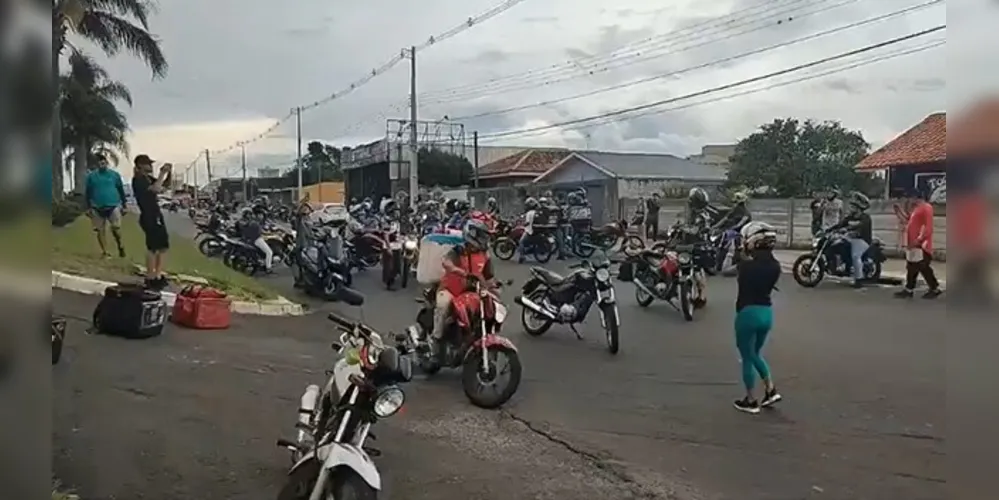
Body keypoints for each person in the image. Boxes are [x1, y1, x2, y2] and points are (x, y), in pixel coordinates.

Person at [732, 221, 782, 414]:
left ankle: (751, 400)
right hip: (766, 313)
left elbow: (737, 262)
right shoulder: (775, 266)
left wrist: (740, 250)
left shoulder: (746, 266)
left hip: (747, 314)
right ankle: (770, 389)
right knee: (756, 354)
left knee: (747, 356)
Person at [431, 219, 495, 359]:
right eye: (482, 236)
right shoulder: (458, 250)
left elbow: (489, 277)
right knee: (442, 307)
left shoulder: (485, 255)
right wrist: (460, 272)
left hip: (472, 293)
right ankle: (435, 342)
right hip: (450, 290)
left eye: (486, 236)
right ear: (472, 234)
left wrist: (495, 290)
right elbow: (447, 263)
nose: (485, 240)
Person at [130, 154, 172, 289]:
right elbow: (156, 189)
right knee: (153, 247)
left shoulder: (147, 178)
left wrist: (168, 174)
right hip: (149, 215)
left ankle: (158, 274)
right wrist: (162, 173)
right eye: (148, 164)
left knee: (162, 245)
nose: (151, 166)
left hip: (155, 213)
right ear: (140, 166)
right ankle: (150, 276)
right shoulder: (138, 180)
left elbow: (164, 186)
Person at [894, 189, 941, 299]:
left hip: (921, 244)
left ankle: (934, 288)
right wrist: (898, 212)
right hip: (913, 243)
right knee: (912, 266)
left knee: (922, 266)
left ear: (915, 197)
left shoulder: (926, 208)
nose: (908, 200)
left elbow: (928, 227)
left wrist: (919, 240)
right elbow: (908, 220)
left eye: (910, 198)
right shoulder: (916, 209)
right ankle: (909, 289)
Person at [827, 192, 873, 288]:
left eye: (853, 206)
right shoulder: (850, 217)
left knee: (856, 256)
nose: (850, 207)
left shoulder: (865, 218)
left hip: (862, 241)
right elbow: (841, 224)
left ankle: (859, 280)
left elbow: (859, 226)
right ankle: (842, 265)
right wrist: (829, 230)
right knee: (836, 244)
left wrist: (847, 229)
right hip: (851, 238)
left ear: (858, 207)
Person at [84, 158, 128, 258]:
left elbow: (121, 190)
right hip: (96, 206)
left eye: (103, 162)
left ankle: (120, 245)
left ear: (107, 163)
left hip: (113, 205)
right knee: (100, 230)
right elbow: (87, 193)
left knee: (116, 228)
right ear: (97, 164)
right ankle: (105, 252)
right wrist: (87, 208)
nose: (101, 164)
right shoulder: (91, 177)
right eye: (99, 163)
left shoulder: (114, 175)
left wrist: (124, 205)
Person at [239, 209, 273, 273]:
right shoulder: (255, 223)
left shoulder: (252, 221)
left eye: (262, 215)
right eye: (260, 215)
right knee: (269, 252)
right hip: (257, 240)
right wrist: (269, 234)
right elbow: (260, 232)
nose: (261, 216)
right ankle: (268, 268)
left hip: (251, 240)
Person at [516, 197, 540, 264]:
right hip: (536, 232)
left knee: (521, 242)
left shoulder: (529, 213)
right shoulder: (536, 212)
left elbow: (527, 223)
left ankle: (522, 256)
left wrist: (523, 224)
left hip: (529, 231)